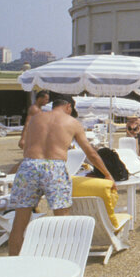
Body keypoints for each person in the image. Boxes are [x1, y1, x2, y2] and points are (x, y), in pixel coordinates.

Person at [7, 96, 117, 255]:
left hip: (29, 165)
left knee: (19, 222)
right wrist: (107, 175)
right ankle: (62, 260)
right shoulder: (72, 122)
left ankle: (14, 261)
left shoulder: (35, 118)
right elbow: (91, 153)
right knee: (61, 218)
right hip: (54, 167)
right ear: (68, 107)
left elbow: (23, 144)